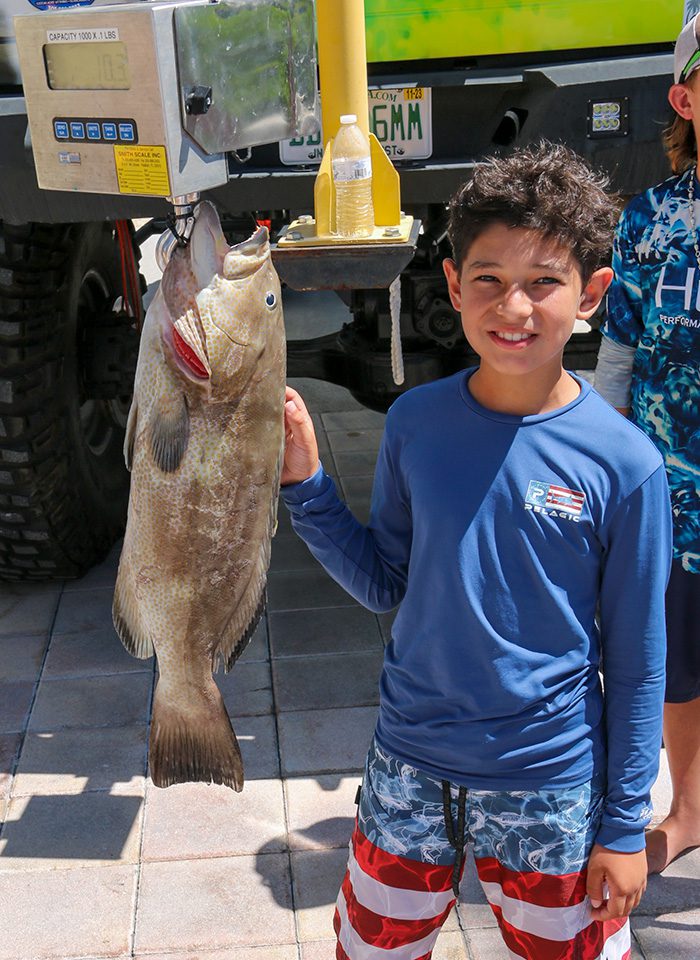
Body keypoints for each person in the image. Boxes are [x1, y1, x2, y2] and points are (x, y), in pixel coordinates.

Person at [281, 142, 672, 960]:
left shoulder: (626, 465)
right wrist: (309, 486)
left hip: (550, 787)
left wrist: (626, 825)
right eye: (489, 279)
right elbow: (385, 582)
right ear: (453, 286)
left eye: (544, 282)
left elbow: (638, 663)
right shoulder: (414, 423)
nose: (514, 307)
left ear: (593, 294)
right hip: (406, 771)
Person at [594, 14, 700, 877]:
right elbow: (618, 363)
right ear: (685, 97)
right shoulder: (651, 222)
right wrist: (606, 481)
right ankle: (691, 808)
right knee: (681, 668)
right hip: (677, 508)